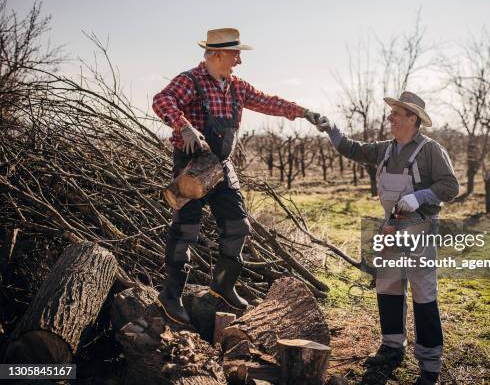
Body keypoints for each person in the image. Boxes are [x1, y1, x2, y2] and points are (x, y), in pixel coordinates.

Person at [152, 28, 320, 324]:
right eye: (235, 53)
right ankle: (171, 295)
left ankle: (222, 284)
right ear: (216, 54)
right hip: (191, 169)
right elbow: (162, 100)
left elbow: (269, 102)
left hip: (222, 166)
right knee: (185, 233)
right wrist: (184, 126)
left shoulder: (237, 86)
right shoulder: (190, 80)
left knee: (238, 227)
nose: (239, 60)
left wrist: (304, 112)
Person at [315, 92, 459, 385]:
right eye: (391, 112)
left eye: (396, 113)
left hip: (421, 228)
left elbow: (451, 186)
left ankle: (430, 365)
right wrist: (332, 129)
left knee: (423, 294)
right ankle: (392, 346)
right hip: (390, 228)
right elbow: (352, 149)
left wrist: (421, 196)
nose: (390, 117)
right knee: (388, 287)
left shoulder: (431, 150)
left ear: (412, 119)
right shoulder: (385, 149)